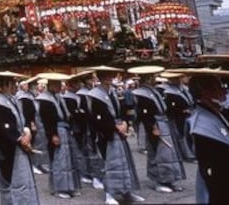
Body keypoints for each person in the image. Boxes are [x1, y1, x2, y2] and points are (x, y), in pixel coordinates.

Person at [185, 67, 229, 203]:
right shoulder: (201, 126)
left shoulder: (218, 113)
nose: (224, 92)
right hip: (224, 187)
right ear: (206, 93)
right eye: (219, 88)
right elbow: (215, 171)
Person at [86, 66, 143, 205]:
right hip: (107, 134)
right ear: (101, 78)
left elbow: (122, 110)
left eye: (111, 75)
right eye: (106, 76)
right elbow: (97, 117)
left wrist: (125, 122)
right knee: (111, 164)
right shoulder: (95, 95)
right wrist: (114, 126)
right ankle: (109, 193)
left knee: (124, 162)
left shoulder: (114, 91)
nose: (110, 78)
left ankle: (126, 191)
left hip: (119, 130)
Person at [0, 70, 39, 205]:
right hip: (9, 149)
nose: (16, 86)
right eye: (12, 83)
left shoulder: (11, 100)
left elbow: (22, 121)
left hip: (20, 145)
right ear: (5, 85)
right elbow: (4, 129)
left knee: (24, 181)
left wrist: (27, 132)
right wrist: (21, 140)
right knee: (13, 183)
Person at [130, 66, 185, 194]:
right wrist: (152, 127)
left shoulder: (153, 91)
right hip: (155, 124)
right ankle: (159, 181)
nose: (154, 79)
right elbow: (145, 113)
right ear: (147, 78)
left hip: (163, 123)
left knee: (169, 153)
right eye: (152, 77)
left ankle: (170, 180)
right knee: (158, 154)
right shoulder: (141, 93)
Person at [36, 72, 80, 199]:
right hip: (56, 130)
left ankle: (70, 187)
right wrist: (52, 135)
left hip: (64, 129)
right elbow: (47, 120)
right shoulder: (45, 99)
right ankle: (58, 188)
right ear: (50, 85)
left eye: (59, 84)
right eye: (56, 84)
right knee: (59, 160)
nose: (59, 86)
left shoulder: (58, 97)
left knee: (68, 160)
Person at [162, 72, 196, 162]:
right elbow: (169, 108)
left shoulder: (184, 89)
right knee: (182, 135)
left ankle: (191, 153)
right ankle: (187, 155)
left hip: (189, 115)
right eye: (175, 79)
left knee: (189, 135)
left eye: (178, 78)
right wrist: (182, 111)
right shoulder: (169, 92)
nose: (177, 80)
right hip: (178, 117)